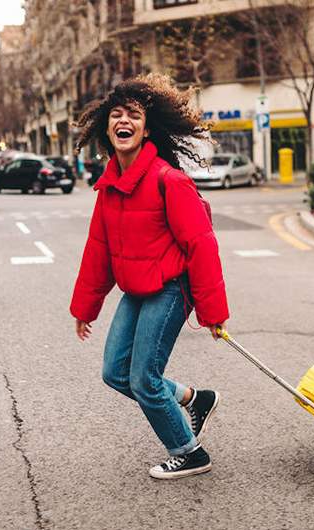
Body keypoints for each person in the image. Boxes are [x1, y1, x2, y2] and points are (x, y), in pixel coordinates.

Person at [70, 73, 229, 480]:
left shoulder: (167, 180)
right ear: (106, 128)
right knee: (115, 373)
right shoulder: (108, 187)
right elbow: (99, 252)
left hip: (170, 288)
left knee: (143, 379)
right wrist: (85, 308)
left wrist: (212, 311)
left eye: (134, 116)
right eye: (117, 115)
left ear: (145, 128)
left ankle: (189, 452)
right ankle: (194, 399)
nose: (124, 121)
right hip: (136, 289)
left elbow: (202, 245)